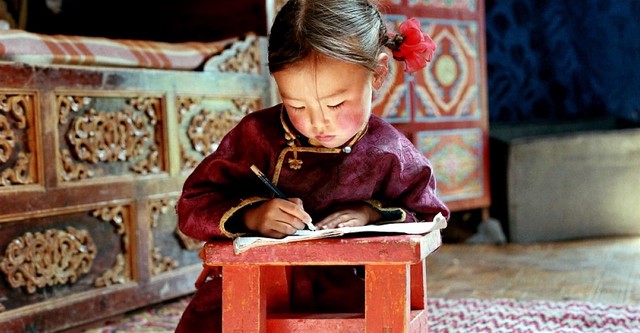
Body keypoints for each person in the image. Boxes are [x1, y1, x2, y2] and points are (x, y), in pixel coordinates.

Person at [175, 0, 449, 331]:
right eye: (297, 105)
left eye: (336, 103)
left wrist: (372, 213)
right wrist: (253, 215)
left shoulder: (390, 152)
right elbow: (194, 203)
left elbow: (430, 216)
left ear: (377, 72)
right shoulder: (256, 136)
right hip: (255, 286)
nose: (319, 123)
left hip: (349, 295)